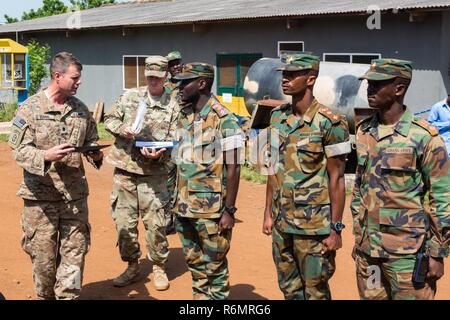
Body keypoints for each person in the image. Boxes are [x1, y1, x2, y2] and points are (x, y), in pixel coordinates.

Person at [351, 59, 450, 299]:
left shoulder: (424, 137)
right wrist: (359, 239)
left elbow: (443, 199)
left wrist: (437, 254)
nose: (369, 90)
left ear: (399, 89)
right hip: (368, 253)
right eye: (368, 84)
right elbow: (358, 188)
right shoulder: (364, 131)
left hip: (406, 254)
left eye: (377, 84)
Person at [8, 52, 103, 300]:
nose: (79, 82)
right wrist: (45, 156)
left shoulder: (81, 110)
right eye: (75, 77)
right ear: (57, 76)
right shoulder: (30, 108)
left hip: (74, 199)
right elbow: (18, 150)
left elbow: (91, 141)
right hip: (41, 200)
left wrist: (96, 155)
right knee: (44, 262)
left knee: (74, 256)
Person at [261, 54, 351, 300]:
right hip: (281, 224)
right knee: (289, 289)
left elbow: (338, 179)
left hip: (313, 228)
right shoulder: (277, 117)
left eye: (292, 74)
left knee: (315, 291)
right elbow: (272, 168)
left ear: (311, 79)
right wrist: (268, 212)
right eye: (284, 74)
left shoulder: (331, 124)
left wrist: (336, 230)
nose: (285, 79)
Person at [104, 56, 180, 291]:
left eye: (158, 77)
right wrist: (122, 129)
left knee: (156, 224)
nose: (153, 81)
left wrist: (161, 154)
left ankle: (158, 267)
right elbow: (109, 119)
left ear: (166, 76)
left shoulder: (174, 104)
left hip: (154, 173)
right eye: (149, 77)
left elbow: (177, 138)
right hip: (126, 170)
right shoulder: (130, 97)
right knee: (124, 224)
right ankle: (132, 266)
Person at [172, 63, 243, 300]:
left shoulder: (225, 120)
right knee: (196, 267)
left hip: (211, 211)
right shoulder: (184, 116)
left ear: (201, 84)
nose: (179, 87)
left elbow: (234, 167)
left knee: (215, 270)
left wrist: (229, 210)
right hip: (184, 207)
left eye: (185, 82)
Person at [164, 50, 184, 235]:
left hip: (187, 139)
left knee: (186, 178)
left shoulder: (190, 83)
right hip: (171, 140)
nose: (176, 66)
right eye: (172, 64)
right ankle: (169, 218)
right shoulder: (165, 88)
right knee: (169, 180)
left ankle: (184, 217)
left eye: (178, 62)